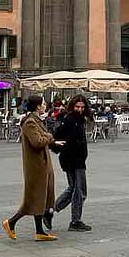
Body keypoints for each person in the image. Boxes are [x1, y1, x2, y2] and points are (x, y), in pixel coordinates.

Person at [3, 96, 64, 241]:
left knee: (40, 198)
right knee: (33, 199)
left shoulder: (36, 120)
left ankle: (39, 231)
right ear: (37, 106)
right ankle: (10, 223)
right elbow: (37, 142)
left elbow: (42, 139)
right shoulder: (30, 122)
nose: (45, 105)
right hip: (36, 166)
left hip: (42, 164)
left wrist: (54, 142)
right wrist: (50, 137)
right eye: (43, 103)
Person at [53, 95, 92, 232]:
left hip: (77, 159)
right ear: (72, 106)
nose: (80, 109)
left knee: (73, 189)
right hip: (72, 160)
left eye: (82, 107)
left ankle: (50, 210)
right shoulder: (70, 119)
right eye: (77, 107)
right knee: (80, 191)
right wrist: (59, 147)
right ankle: (75, 221)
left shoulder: (79, 120)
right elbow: (57, 136)